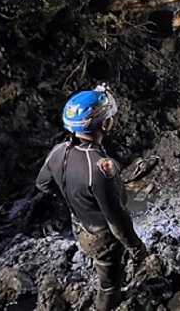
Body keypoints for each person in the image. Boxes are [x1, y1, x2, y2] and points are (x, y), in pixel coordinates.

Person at [36, 86, 146, 311]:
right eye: (109, 117)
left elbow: (43, 184)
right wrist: (136, 247)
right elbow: (116, 221)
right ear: (104, 124)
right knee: (109, 285)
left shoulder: (58, 152)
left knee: (100, 263)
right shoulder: (102, 168)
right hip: (101, 236)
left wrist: (76, 199)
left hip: (79, 226)